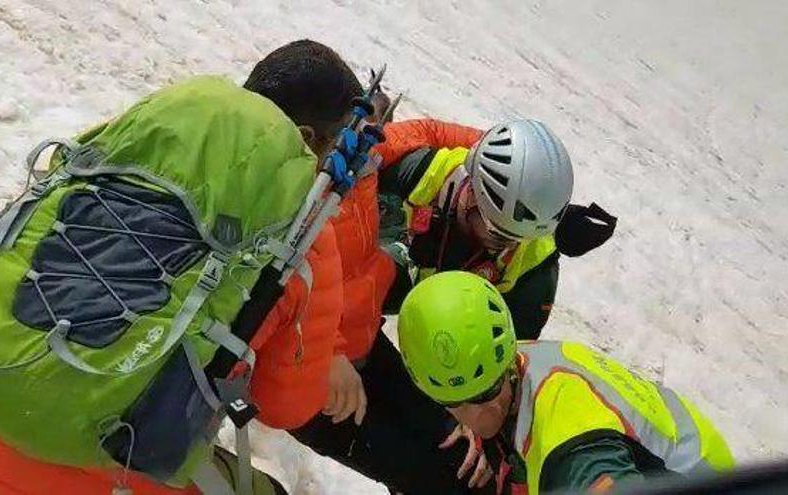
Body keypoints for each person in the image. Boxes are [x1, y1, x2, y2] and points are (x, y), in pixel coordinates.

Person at [0, 77, 345, 494]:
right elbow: (286, 406)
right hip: (117, 471)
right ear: (308, 138)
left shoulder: (129, 140)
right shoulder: (300, 236)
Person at [245, 41, 494, 494]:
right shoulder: (265, 204)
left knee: (466, 462)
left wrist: (503, 157)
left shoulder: (353, 162)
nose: (366, 138)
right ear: (307, 138)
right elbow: (255, 312)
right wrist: (327, 354)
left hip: (362, 349)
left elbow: (432, 134)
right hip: (315, 385)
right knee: (444, 480)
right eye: (353, 129)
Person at [397, 271, 735, 494]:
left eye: (489, 390)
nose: (481, 415)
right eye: (455, 402)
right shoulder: (518, 357)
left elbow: (591, 466)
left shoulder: (571, 443)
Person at [376, 119, 617, 339]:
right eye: (497, 231)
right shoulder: (424, 173)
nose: (508, 245)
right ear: (472, 190)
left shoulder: (536, 265)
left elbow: (513, 350)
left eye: (519, 239)